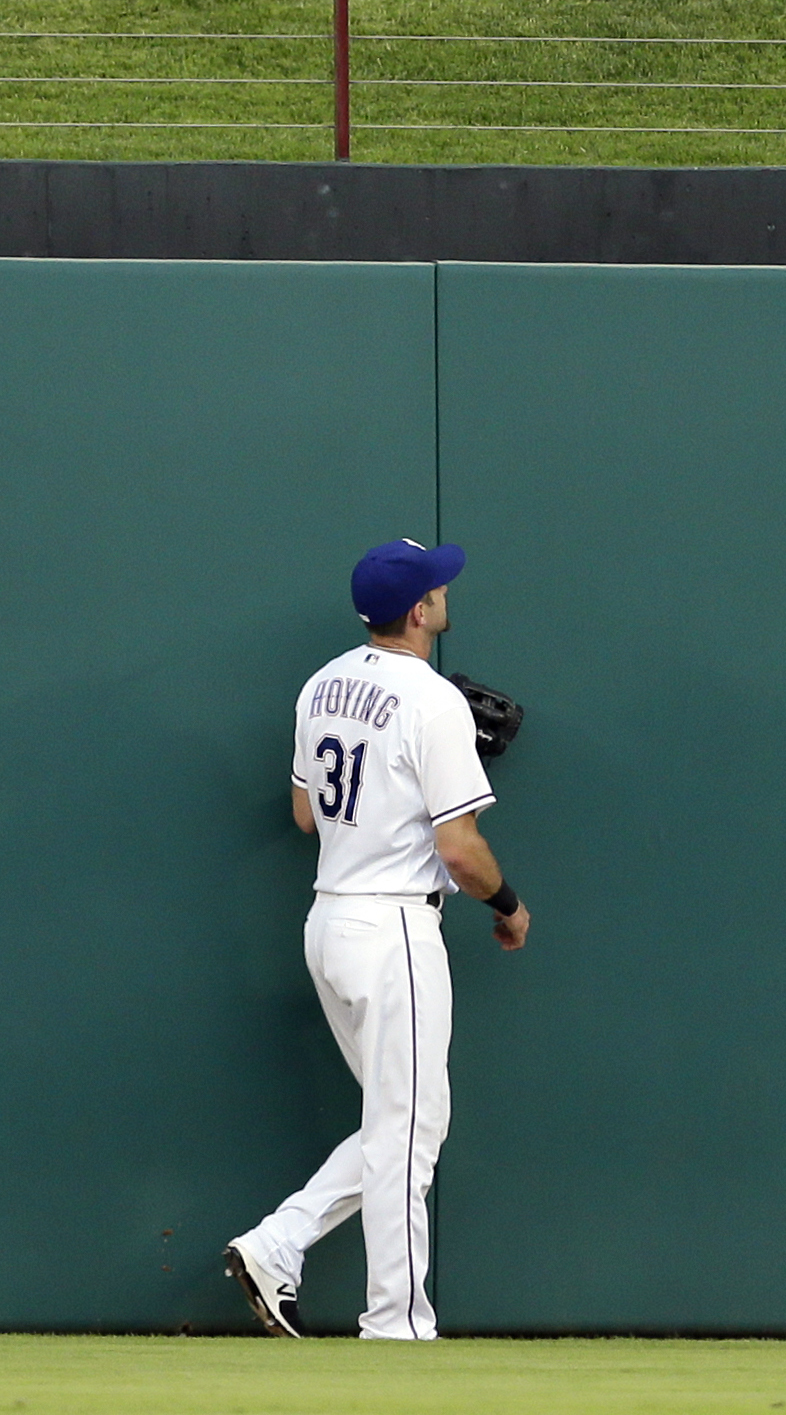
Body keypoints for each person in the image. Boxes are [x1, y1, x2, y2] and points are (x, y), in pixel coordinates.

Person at [225, 537, 529, 1343]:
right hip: (394, 923)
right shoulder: (431, 702)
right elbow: (461, 850)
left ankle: (275, 1244)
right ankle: (395, 1324)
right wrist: (507, 904)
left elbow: (303, 814)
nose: (444, 596)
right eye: (437, 588)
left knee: (405, 1123)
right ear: (420, 610)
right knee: (405, 1132)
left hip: (330, 919)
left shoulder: (321, 683)